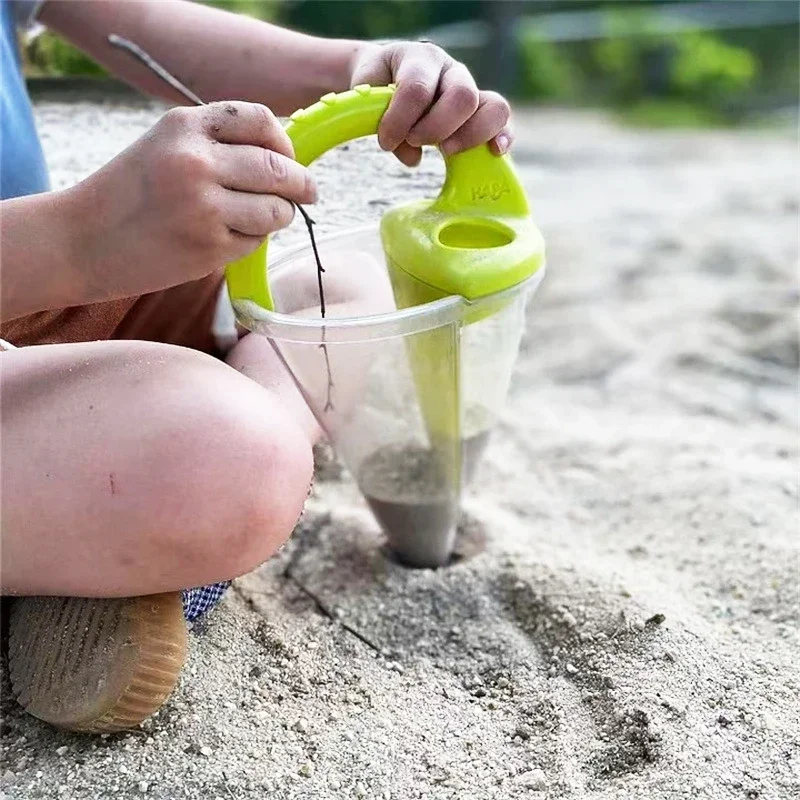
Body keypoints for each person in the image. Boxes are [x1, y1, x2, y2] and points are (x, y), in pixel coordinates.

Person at [0, 0, 513, 733]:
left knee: (342, 295)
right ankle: (131, 566)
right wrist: (78, 239)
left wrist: (358, 73)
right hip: (49, 258)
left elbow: (143, 21)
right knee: (232, 454)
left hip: (44, 294)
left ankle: (86, 559)